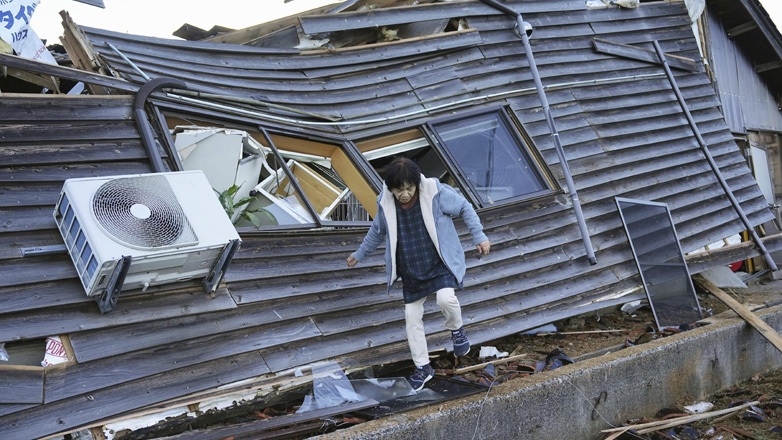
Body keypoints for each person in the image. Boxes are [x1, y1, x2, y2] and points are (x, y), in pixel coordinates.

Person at [347, 157, 491, 391]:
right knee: (411, 318)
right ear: (390, 188)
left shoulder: (435, 192)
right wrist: (359, 254)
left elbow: (464, 207)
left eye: (409, 188)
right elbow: (377, 231)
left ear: (416, 184)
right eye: (398, 189)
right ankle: (423, 367)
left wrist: (480, 236)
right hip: (411, 269)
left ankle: (457, 330)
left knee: (445, 298)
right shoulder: (386, 203)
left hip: (439, 262)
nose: (404, 194)